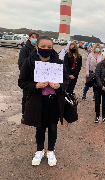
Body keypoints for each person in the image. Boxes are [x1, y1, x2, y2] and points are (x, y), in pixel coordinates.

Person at [18, 36, 70, 166]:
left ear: (52, 48)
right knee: (40, 127)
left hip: (54, 101)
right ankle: (39, 150)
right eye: (43, 46)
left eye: (49, 47)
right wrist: (35, 86)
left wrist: (59, 86)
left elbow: (66, 80)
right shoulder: (29, 62)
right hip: (38, 101)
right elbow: (21, 82)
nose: (46, 49)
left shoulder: (58, 62)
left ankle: (51, 151)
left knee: (53, 127)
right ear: (36, 47)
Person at [18, 31, 40, 124]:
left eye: (36, 38)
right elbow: (21, 64)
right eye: (33, 37)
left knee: (36, 96)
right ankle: (24, 114)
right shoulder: (25, 49)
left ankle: (34, 113)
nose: (35, 39)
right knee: (26, 96)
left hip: (37, 78)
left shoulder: (38, 49)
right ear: (29, 38)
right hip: (28, 78)